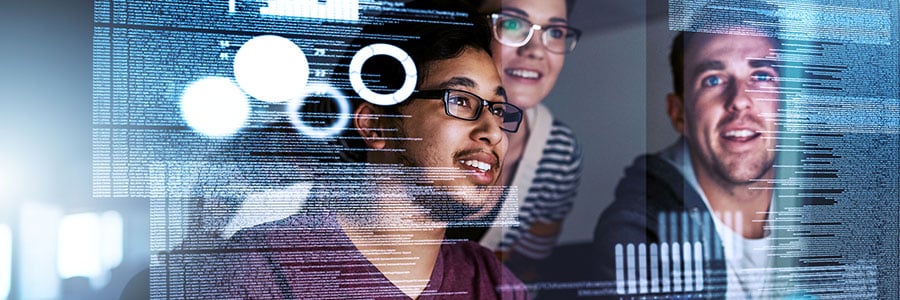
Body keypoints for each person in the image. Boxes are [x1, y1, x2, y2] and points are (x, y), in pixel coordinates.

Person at [209, 3, 529, 298]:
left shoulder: (495, 282)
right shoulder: (262, 268)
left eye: (498, 110)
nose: (492, 132)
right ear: (377, 124)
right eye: (460, 100)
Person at [593, 1, 781, 298]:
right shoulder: (639, 232)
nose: (740, 100)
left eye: (761, 76)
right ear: (678, 113)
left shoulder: (836, 204)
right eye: (713, 80)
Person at [452, 0, 582, 282]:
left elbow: (528, 265)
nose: (535, 51)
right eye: (512, 25)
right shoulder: (407, 123)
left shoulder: (557, 152)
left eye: (555, 32)